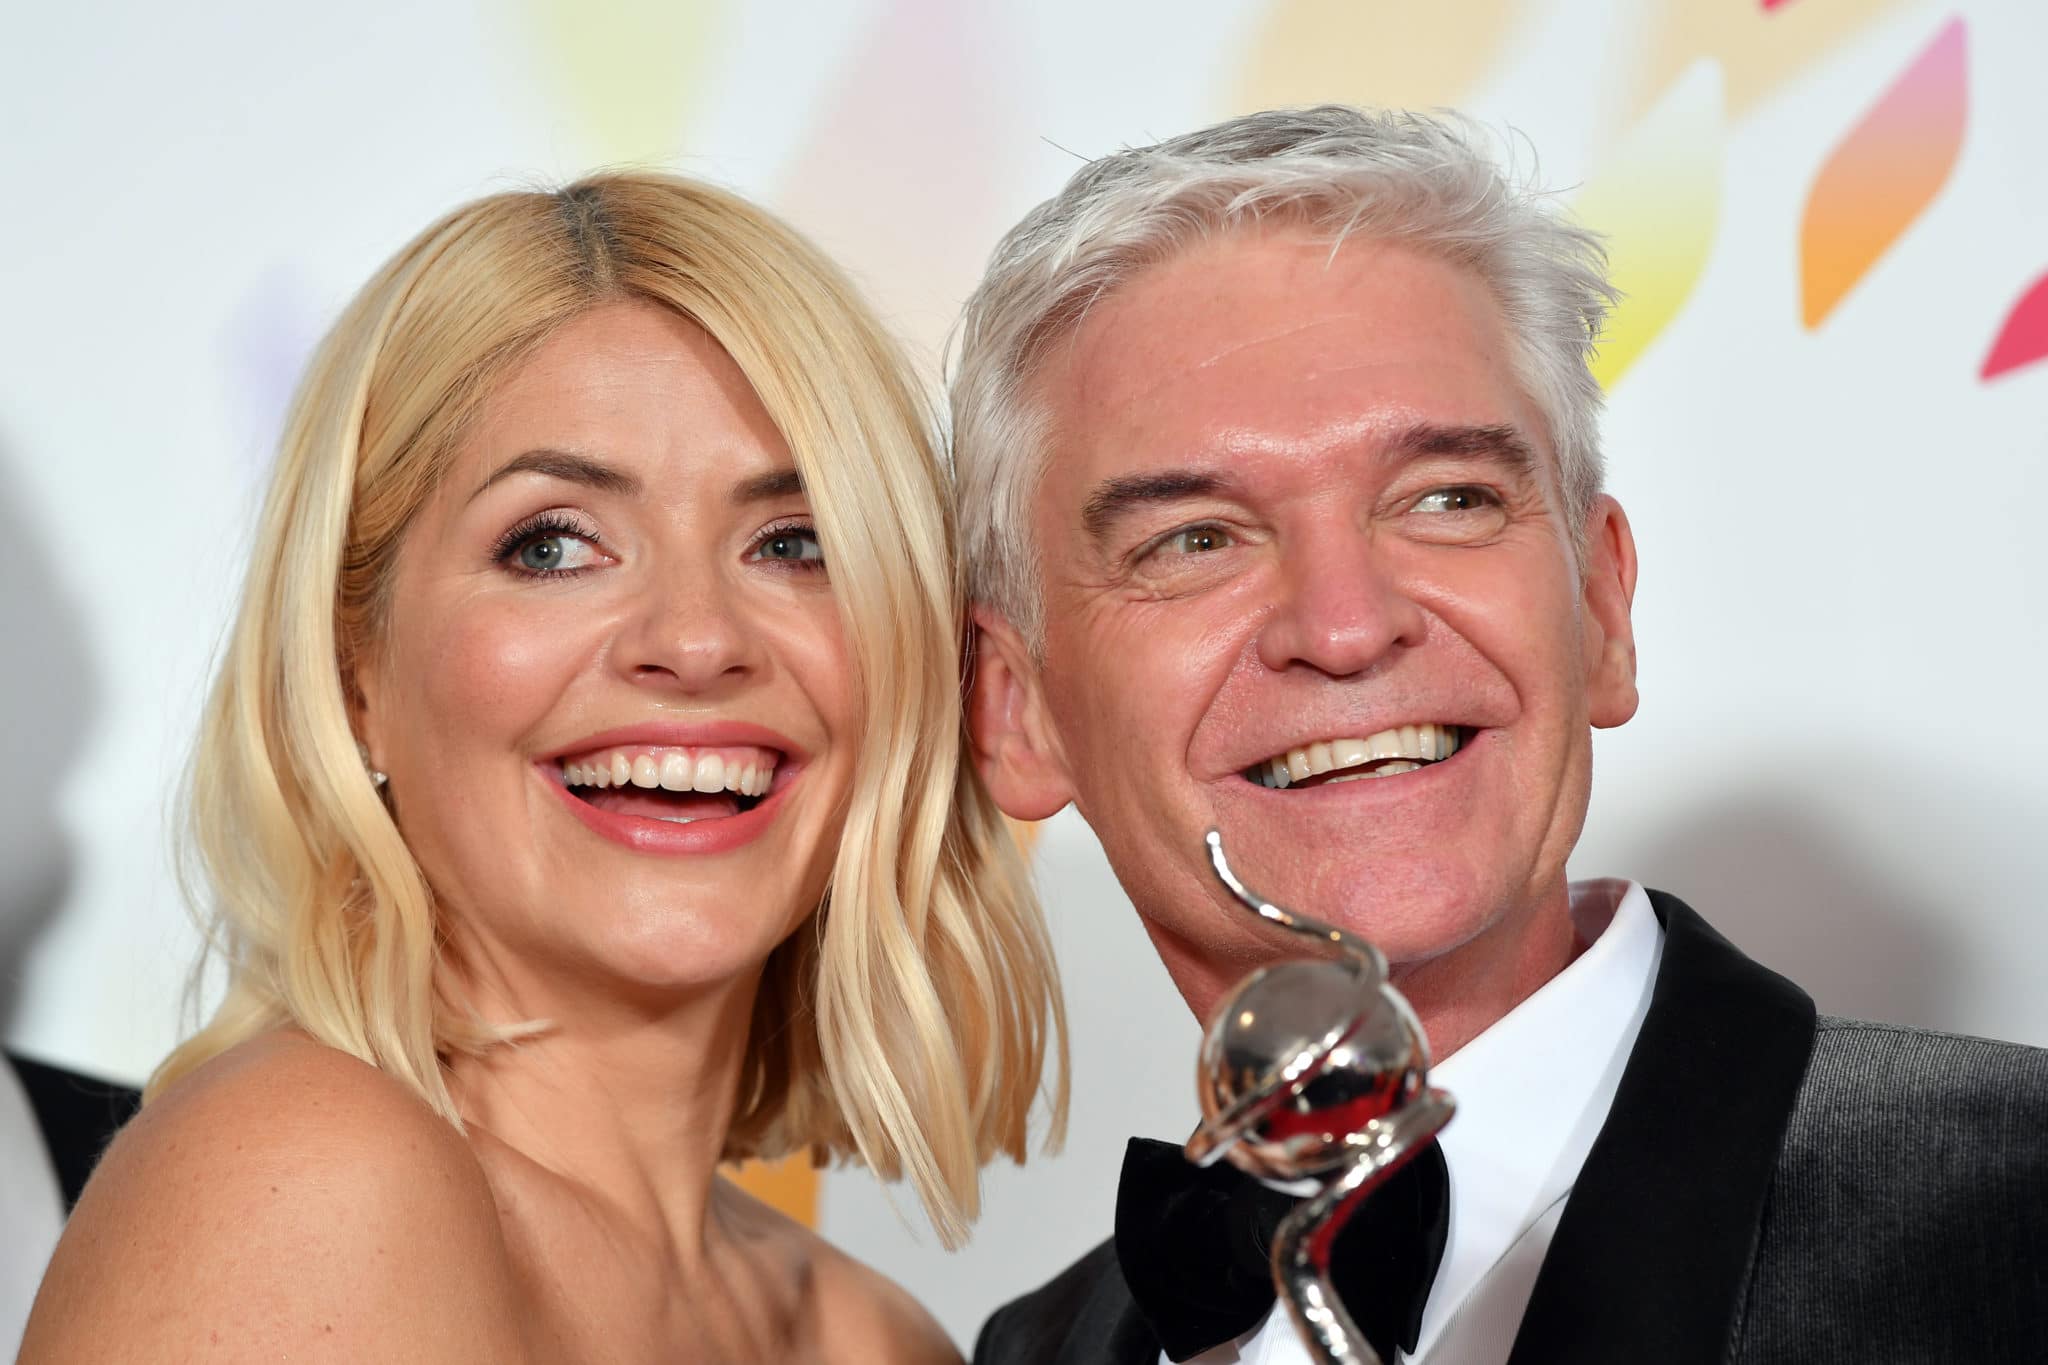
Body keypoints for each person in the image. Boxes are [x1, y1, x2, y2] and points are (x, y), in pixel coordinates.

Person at [952, 106, 2048, 1364]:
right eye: (1193, 538)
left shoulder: (2013, 1210)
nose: (1346, 626)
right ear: (1016, 710)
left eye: (1446, 499)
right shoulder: (1032, 1349)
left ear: (1597, 610)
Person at [21, 171, 1065, 1364]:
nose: (694, 640)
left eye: (793, 544)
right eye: (553, 545)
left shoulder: (878, 1341)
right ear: (354, 671)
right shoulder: (304, 1179)